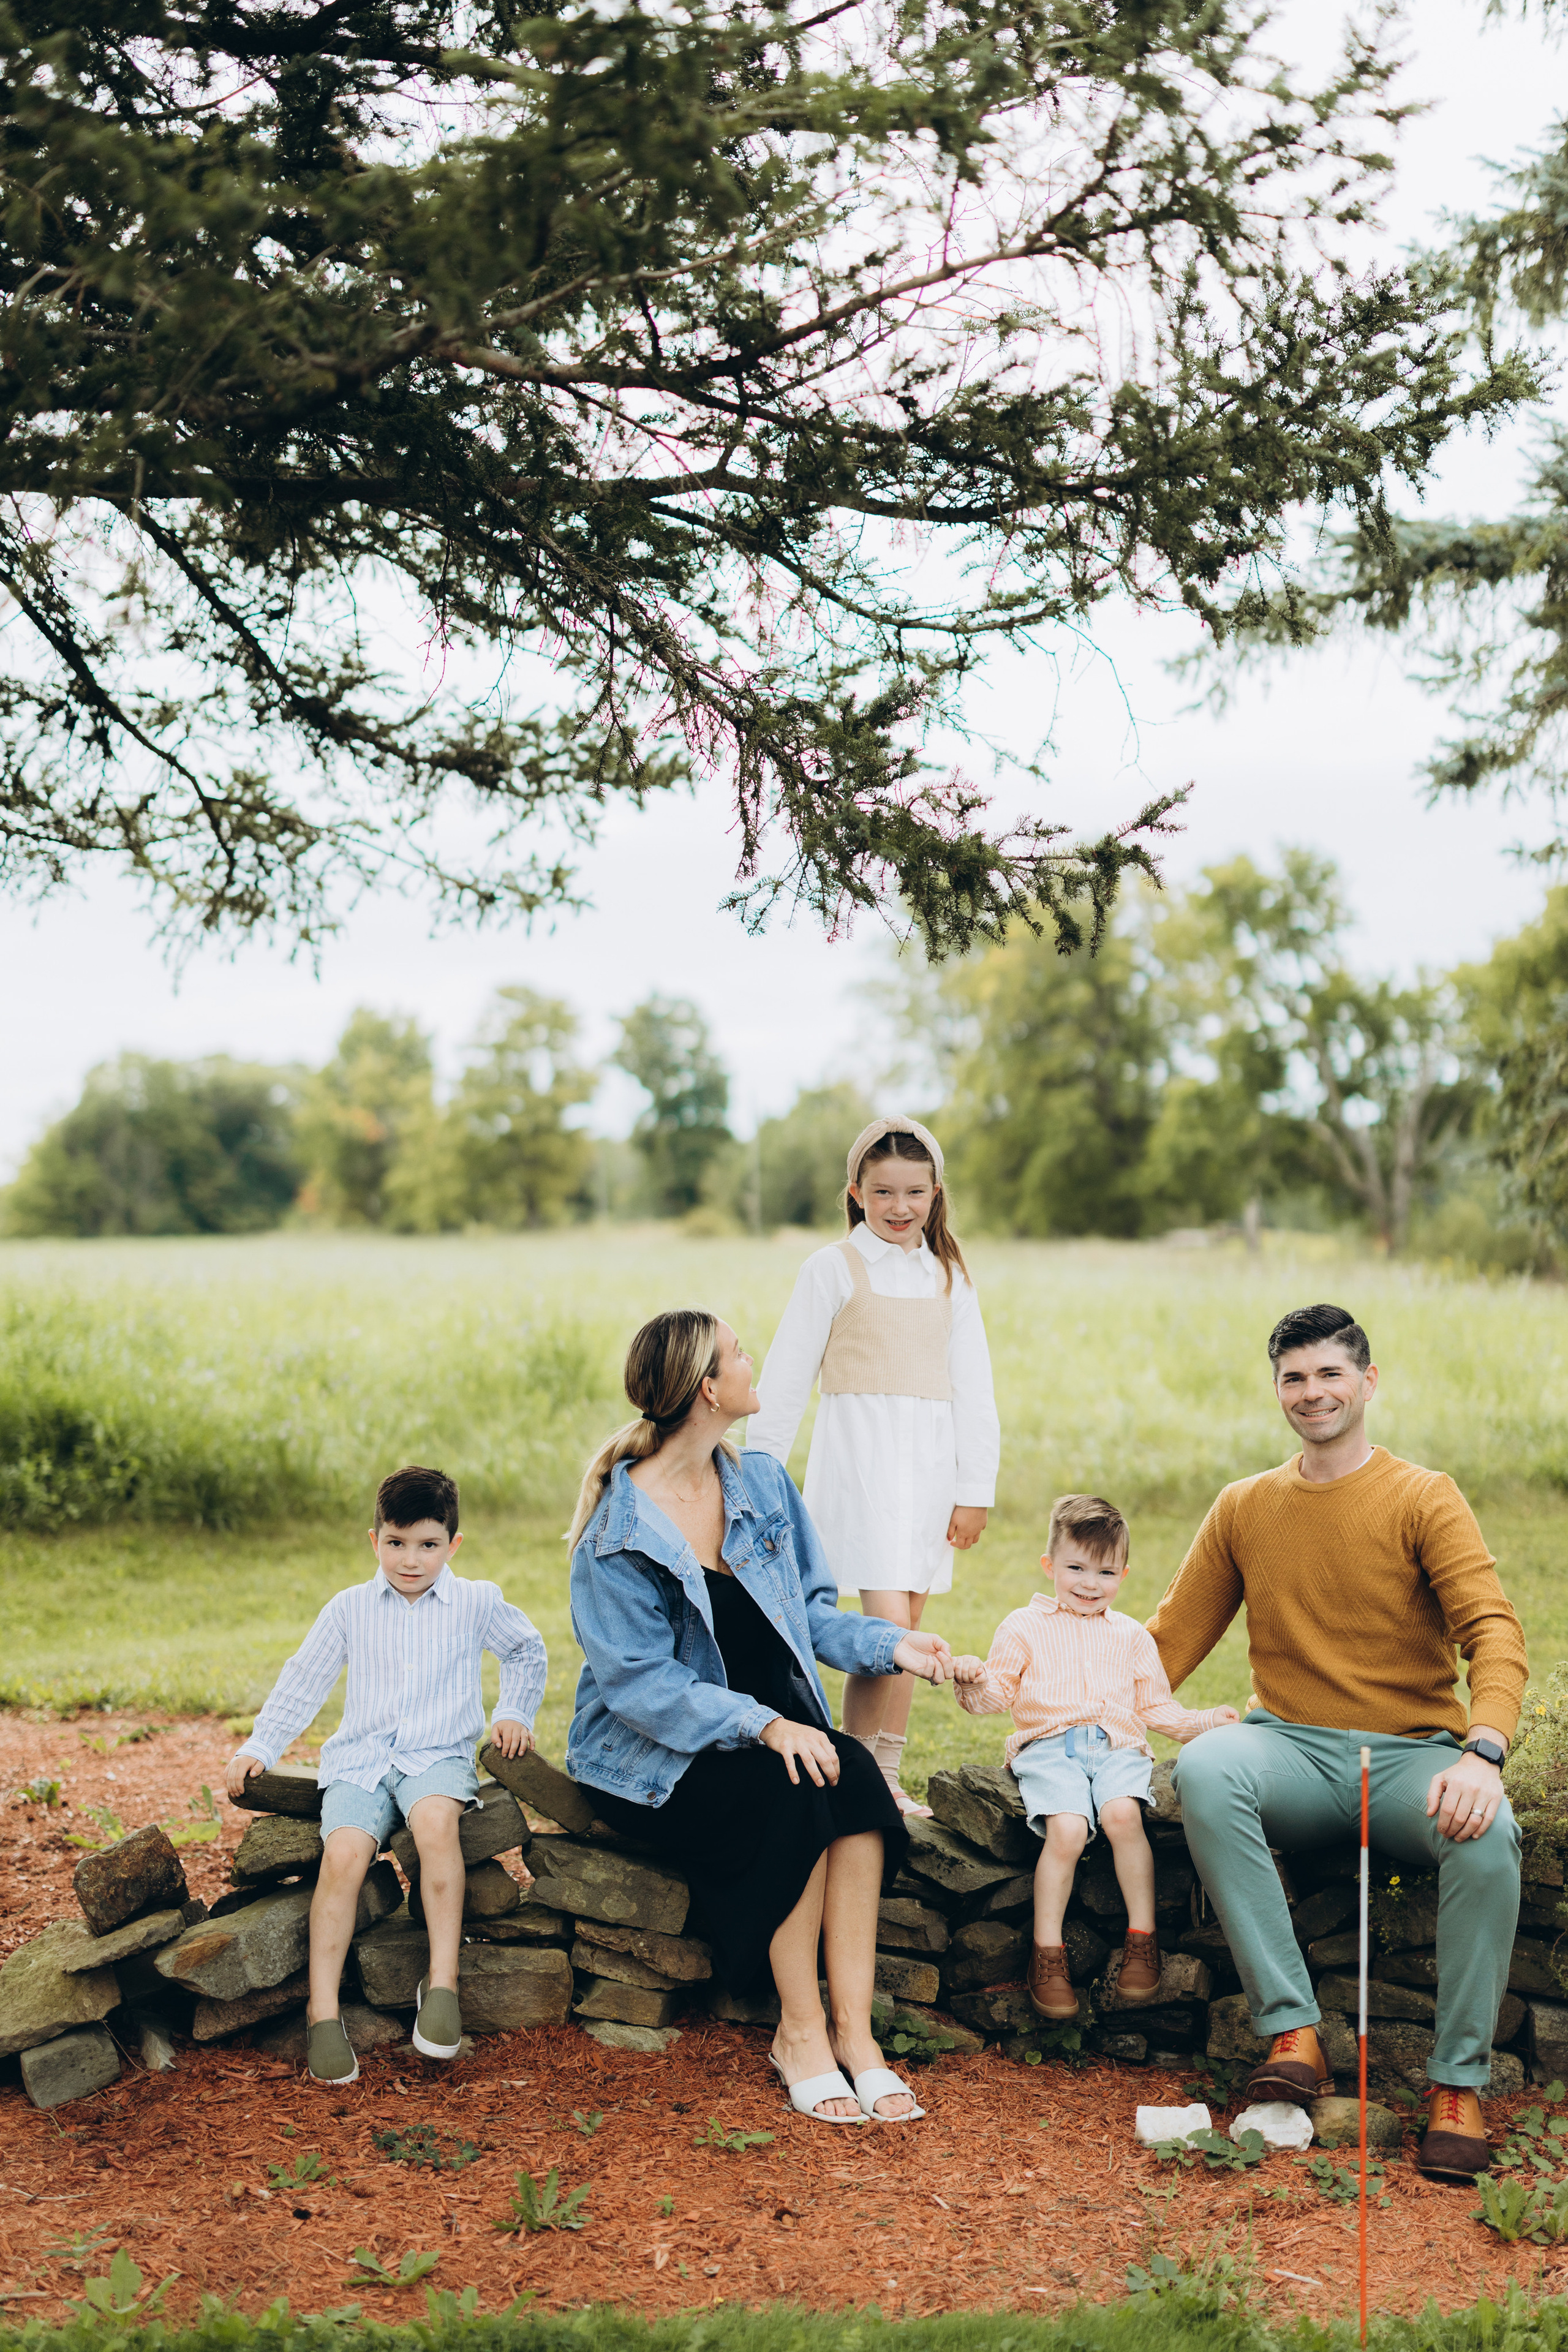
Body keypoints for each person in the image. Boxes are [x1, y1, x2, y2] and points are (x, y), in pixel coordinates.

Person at [1148, 1303, 1529, 2184]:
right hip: (1289, 1748)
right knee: (1205, 1766)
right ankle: (1293, 2033)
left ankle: (1457, 2087)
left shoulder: (1423, 1496)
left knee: (1490, 1839)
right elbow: (1166, 1643)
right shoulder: (1245, 1506)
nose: (1311, 1392)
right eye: (1294, 1377)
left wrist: (1483, 1752)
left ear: (1367, 1382)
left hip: (1410, 1756)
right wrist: (1063, 1706)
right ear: (1277, 1388)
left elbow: (1494, 1632)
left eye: (1329, 1373)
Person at [566, 1307, 953, 2125]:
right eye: (740, 1353)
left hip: (765, 1736)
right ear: (708, 1390)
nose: (754, 1363)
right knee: (794, 1791)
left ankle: (856, 2035)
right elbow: (641, 1686)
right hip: (653, 1756)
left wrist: (895, 1646)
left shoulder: (763, 1484)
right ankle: (799, 2032)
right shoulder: (616, 1534)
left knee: (852, 1779)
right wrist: (766, 1725)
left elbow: (807, 1615)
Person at [224, 1463, 545, 2086]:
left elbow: (526, 1649)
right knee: (344, 1854)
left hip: (436, 1755)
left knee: (435, 1828)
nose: (410, 1560)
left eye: (428, 1545)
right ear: (375, 1541)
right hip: (361, 1760)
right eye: (396, 1543)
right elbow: (304, 1678)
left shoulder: (477, 1601)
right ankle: (323, 2012)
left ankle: (443, 1983)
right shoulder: (349, 1609)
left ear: (453, 1545)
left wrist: (513, 1712)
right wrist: (261, 1744)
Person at [750, 1114, 1000, 1817]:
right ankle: (863, 1778)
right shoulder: (832, 1268)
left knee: (906, 1628)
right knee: (890, 1635)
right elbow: (785, 1378)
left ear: (935, 1194)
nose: (899, 1207)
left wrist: (974, 1490)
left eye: (914, 1192)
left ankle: (881, 1772)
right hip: (860, 1470)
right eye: (883, 1192)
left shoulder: (948, 1276)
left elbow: (975, 1390)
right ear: (856, 1193)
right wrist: (757, 1477)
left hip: (929, 1476)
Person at [951, 1493, 1237, 2021]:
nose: (1089, 1583)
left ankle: (1142, 1941)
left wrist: (1205, 1723)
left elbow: (1154, 1707)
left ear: (1123, 1575)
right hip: (1050, 1748)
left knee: (1123, 1815)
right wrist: (972, 1682)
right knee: (1067, 1829)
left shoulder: (1131, 1636)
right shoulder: (1023, 1626)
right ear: (1049, 1565)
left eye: (1105, 1573)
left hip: (1117, 1747)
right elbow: (997, 1695)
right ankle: (1047, 1954)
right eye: (1076, 1568)